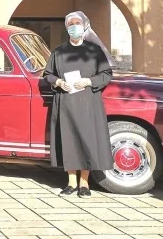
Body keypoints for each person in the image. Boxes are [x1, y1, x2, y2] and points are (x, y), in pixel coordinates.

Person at [43, 11, 113, 198]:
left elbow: (106, 74)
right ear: (67, 28)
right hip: (66, 103)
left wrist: (89, 81)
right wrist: (58, 82)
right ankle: (71, 182)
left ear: (84, 26)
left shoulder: (94, 51)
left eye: (77, 23)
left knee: (86, 140)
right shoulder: (59, 52)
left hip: (88, 102)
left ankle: (84, 183)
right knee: (69, 141)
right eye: (71, 23)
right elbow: (48, 74)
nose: (74, 26)